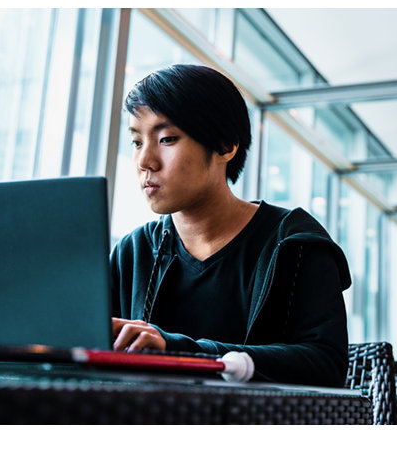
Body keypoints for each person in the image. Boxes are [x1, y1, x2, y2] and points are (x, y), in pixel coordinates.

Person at [108, 64, 351, 387]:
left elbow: (325, 364)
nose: (144, 162)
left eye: (166, 139)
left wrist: (178, 350)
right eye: (137, 142)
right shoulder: (133, 252)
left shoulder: (293, 243)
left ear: (225, 146)